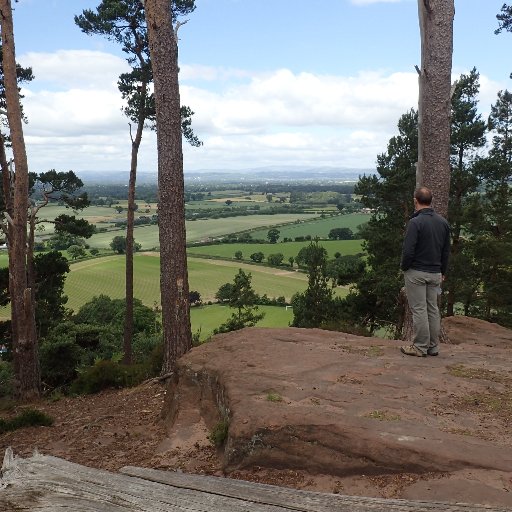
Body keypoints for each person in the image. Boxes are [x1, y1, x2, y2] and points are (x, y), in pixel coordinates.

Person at [400, 187, 450, 357]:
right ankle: (433, 347)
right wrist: (443, 271)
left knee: (419, 309)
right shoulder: (443, 222)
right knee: (432, 309)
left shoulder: (415, 223)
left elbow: (408, 251)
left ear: (415, 201)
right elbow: (445, 251)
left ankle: (420, 347)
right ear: (431, 200)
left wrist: (404, 267)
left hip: (416, 273)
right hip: (436, 273)